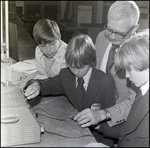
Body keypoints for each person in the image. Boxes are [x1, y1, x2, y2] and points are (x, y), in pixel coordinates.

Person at [74, 1, 141, 146]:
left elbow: (134, 102)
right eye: (109, 29)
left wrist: (104, 114)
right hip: (93, 116)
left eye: (119, 33)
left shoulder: (140, 56)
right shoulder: (101, 38)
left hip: (120, 125)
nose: (111, 37)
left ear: (134, 28)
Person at [23, 34, 116, 140]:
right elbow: (46, 84)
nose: (75, 71)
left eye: (80, 67)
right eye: (71, 66)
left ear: (91, 62)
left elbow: (112, 119)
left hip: (95, 138)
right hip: (71, 133)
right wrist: (36, 85)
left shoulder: (105, 82)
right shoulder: (66, 75)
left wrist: (98, 125)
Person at [85, 31, 149, 147]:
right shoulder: (141, 91)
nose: (127, 76)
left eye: (129, 70)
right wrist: (99, 125)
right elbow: (130, 132)